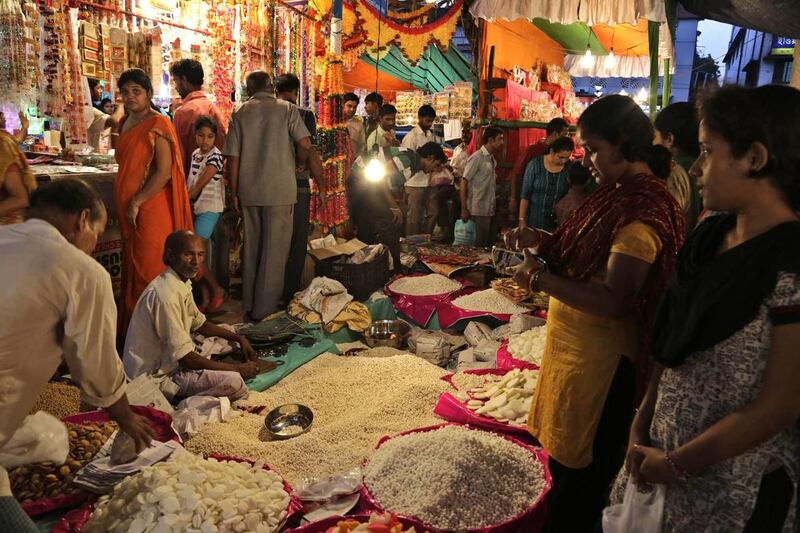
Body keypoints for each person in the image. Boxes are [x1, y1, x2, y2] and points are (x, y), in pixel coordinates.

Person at [612, 85, 800, 532]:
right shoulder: (710, 232)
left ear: (754, 158)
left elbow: (779, 405)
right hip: (660, 452)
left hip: (735, 487)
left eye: (707, 152)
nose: (695, 168)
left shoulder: (791, 264)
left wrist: (677, 463)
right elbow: (671, 340)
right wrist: (642, 419)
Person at [508, 95, 684, 532]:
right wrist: (540, 238)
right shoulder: (619, 194)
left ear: (623, 142)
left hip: (604, 373)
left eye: (594, 149)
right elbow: (592, 254)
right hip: (579, 360)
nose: (588, 160)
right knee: (568, 477)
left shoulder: (641, 210)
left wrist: (537, 280)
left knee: (582, 491)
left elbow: (614, 300)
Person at [0, 179, 155, 532]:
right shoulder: (81, 271)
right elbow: (95, 361)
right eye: (97, 234)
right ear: (82, 220)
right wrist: (124, 416)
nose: (94, 245)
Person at [124, 231, 260, 402]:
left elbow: (200, 324)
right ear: (170, 255)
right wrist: (237, 369)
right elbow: (186, 358)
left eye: (200, 254)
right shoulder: (165, 296)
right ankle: (178, 400)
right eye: (188, 254)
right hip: (156, 377)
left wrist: (239, 338)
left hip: (172, 359)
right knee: (234, 382)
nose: (196, 262)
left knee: (227, 330)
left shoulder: (180, 282)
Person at [224, 71, 312, 322]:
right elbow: (305, 144)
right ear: (271, 87)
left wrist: (234, 191)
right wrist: (298, 163)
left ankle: (250, 304)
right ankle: (265, 310)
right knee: (275, 251)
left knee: (251, 248)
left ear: (249, 89)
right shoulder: (286, 109)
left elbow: (233, 157)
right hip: (280, 190)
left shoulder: (240, 112)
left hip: (250, 190)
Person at [115, 68, 194, 335]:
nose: (130, 97)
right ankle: (133, 332)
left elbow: (163, 171)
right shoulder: (123, 123)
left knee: (150, 266)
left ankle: (157, 333)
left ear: (149, 93)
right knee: (132, 266)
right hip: (128, 205)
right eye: (125, 92)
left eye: (136, 91)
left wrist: (138, 200)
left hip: (151, 206)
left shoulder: (159, 123)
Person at [347, 143, 446, 269]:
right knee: (387, 220)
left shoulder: (413, 165)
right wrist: (393, 206)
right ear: (430, 158)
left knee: (375, 224)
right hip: (361, 180)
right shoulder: (408, 158)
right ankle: (390, 267)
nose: (433, 169)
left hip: (369, 184)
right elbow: (380, 176)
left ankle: (377, 264)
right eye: (436, 165)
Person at [274, 73, 326, 304]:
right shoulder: (304, 114)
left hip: (269, 186)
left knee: (272, 240)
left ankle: (269, 291)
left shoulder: (263, 113)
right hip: (297, 185)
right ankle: (289, 293)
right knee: (296, 242)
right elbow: (309, 150)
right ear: (296, 91)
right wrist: (322, 187)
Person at [186, 115, 227, 312]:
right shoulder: (195, 154)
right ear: (195, 136)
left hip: (210, 208)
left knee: (195, 254)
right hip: (196, 207)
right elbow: (191, 180)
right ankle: (204, 298)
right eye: (201, 136)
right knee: (196, 256)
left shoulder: (216, 156)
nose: (205, 141)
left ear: (215, 138)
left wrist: (188, 196)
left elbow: (201, 182)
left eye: (210, 137)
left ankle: (216, 289)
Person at [170, 59, 228, 177]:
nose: (176, 86)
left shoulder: (182, 113)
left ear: (184, 80)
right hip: (215, 182)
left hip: (192, 180)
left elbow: (178, 155)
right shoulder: (214, 109)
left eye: (176, 80)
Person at [654, 102, 702, 231]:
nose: (653, 143)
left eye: (655, 136)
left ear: (669, 139)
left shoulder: (672, 171)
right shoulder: (704, 168)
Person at [509, 117, 569, 216]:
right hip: (530, 203)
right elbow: (516, 173)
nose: (567, 139)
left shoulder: (561, 156)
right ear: (555, 134)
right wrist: (512, 198)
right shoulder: (533, 151)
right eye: (564, 135)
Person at [518, 136, 575, 233]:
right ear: (552, 152)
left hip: (558, 223)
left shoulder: (569, 168)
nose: (563, 161)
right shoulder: (535, 165)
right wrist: (522, 219)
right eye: (560, 157)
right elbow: (525, 195)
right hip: (535, 219)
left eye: (567, 158)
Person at [460, 127, 504, 247]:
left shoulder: (491, 159)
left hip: (487, 208)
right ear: (490, 140)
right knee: (475, 244)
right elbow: (464, 182)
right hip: (476, 208)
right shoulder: (477, 157)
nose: (502, 142)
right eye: (500, 139)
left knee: (482, 243)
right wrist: (464, 208)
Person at [402, 105, 439, 235]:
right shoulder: (411, 137)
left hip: (429, 181)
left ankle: (425, 240)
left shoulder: (430, 135)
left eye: (431, 121)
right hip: (414, 183)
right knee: (414, 217)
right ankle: (411, 244)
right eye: (427, 121)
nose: (429, 124)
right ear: (420, 118)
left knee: (433, 213)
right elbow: (407, 161)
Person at [0, 111, 35, 225]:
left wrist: (25, 127)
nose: (4, 119)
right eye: (3, 117)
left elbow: (20, 198)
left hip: (8, 230)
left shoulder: (3, 143)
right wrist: (24, 127)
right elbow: (18, 140)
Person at [86, 78, 124, 153]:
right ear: (89, 90)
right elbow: (115, 121)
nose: (100, 91)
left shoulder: (89, 109)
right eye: (98, 88)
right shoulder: (89, 110)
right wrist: (121, 103)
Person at [344, 92, 366, 157]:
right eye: (349, 106)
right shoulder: (334, 123)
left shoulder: (359, 125)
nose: (352, 109)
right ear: (343, 105)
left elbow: (363, 146)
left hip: (354, 161)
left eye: (354, 107)